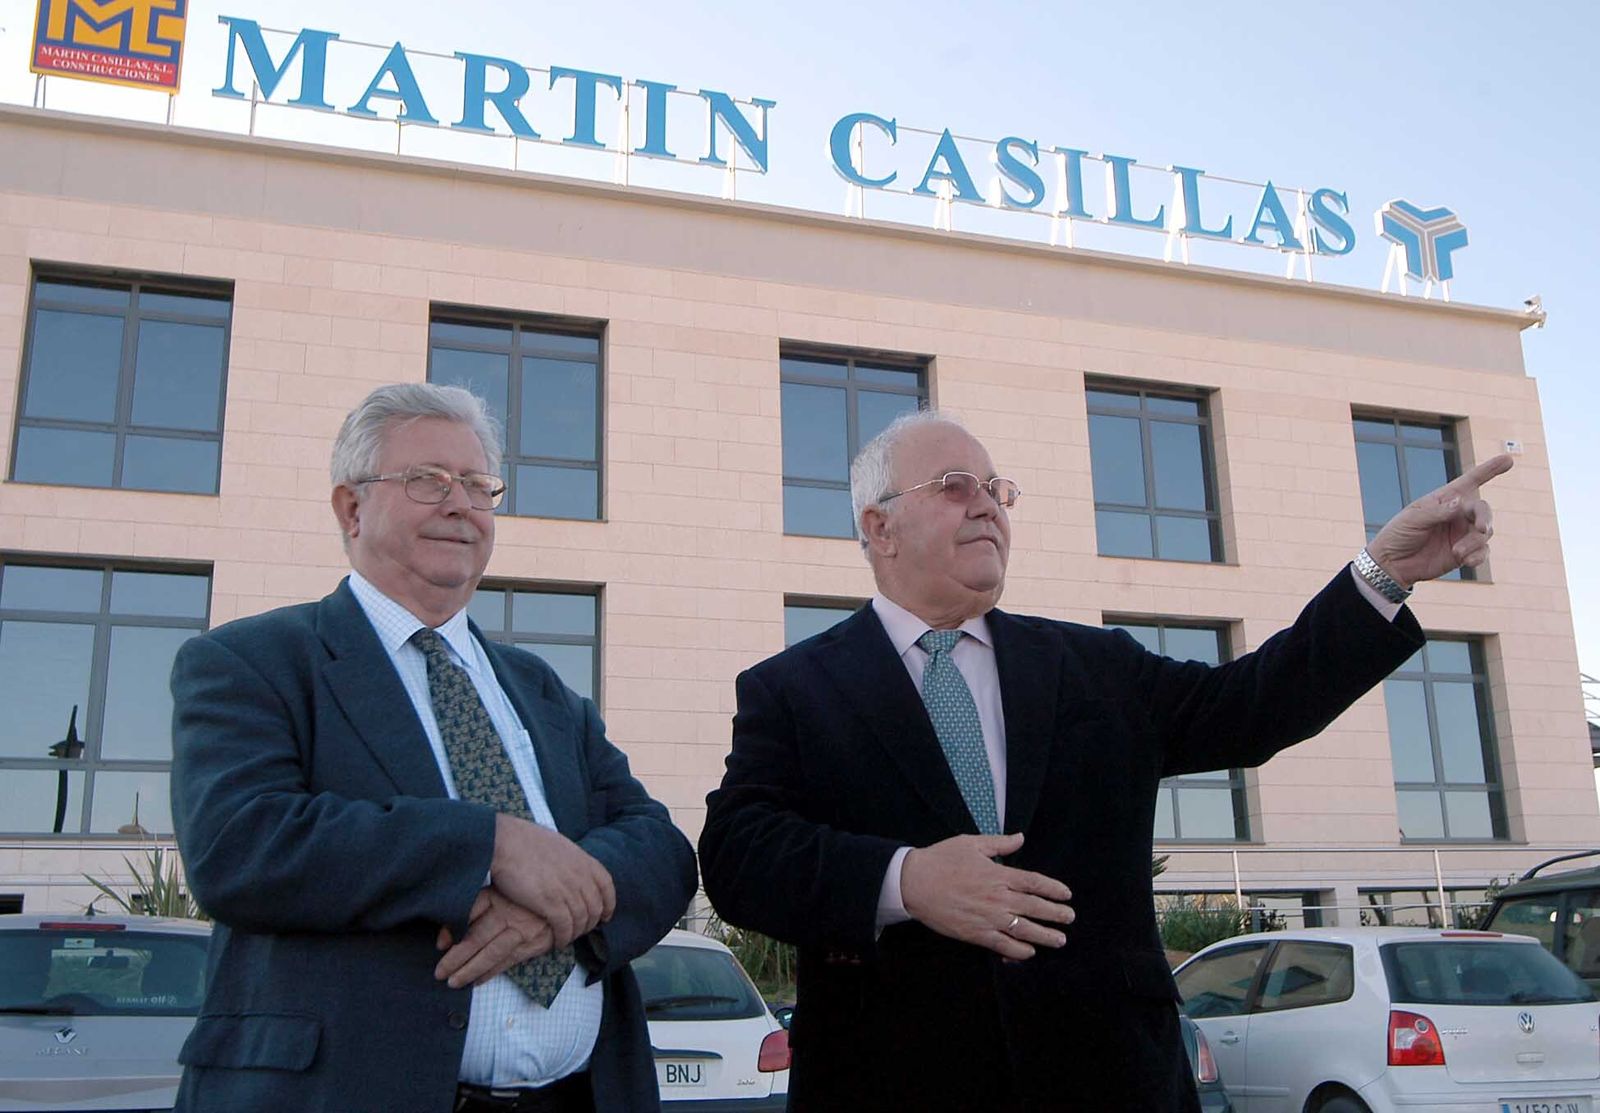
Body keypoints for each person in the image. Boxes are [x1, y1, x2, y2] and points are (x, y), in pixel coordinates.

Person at [698, 409, 1510, 1111]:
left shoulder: (1095, 667)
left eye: (997, 489)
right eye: (955, 485)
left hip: (1113, 1080)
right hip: (893, 1084)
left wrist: (1384, 572)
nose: (987, 506)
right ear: (877, 527)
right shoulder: (794, 689)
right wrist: (905, 880)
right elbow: (737, 856)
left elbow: (1255, 703)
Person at [170, 383, 696, 1113]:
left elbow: (661, 848)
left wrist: (554, 913)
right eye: (428, 481)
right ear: (352, 508)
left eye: (480, 486)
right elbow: (239, 845)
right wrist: (490, 843)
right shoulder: (254, 661)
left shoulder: (538, 687)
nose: (461, 504)